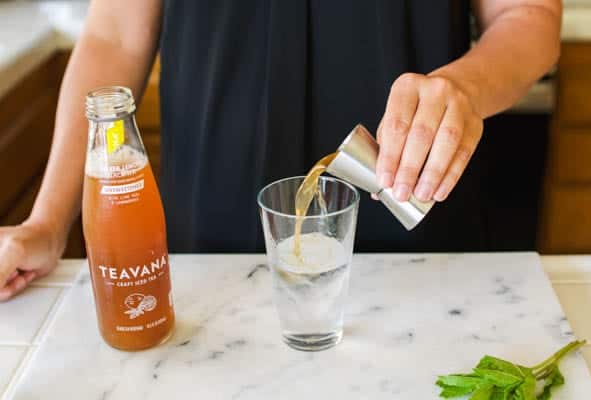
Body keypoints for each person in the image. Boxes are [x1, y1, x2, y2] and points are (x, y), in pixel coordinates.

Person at [0, 0, 561, 301]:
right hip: (209, 244)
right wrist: (48, 221)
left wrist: (465, 86)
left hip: (415, 218)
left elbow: (528, 17)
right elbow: (115, 34)